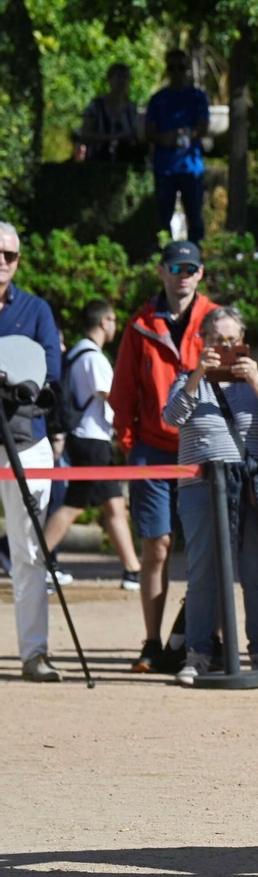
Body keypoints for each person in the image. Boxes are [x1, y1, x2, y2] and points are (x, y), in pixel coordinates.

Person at [162, 307, 258, 685]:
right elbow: (171, 419)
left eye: (232, 341)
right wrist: (198, 372)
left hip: (253, 488)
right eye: (216, 340)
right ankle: (198, 654)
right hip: (201, 488)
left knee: (256, 572)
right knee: (204, 571)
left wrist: (255, 380)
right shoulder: (187, 379)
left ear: (243, 341)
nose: (225, 347)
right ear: (202, 342)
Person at [110, 240, 217, 672]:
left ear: (201, 272)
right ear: (162, 271)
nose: (184, 274)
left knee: (206, 549)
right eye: (176, 267)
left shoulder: (214, 318)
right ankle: (153, 642)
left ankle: (200, 640)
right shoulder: (140, 323)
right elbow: (123, 388)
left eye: (191, 267)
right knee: (156, 546)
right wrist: (129, 440)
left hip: (201, 447)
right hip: (153, 449)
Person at [0, 221, 65, 681]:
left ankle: (34, 653)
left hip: (24, 439)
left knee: (28, 549)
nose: (4, 261)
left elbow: (50, 374)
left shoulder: (36, 309)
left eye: (11, 255)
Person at [42, 300, 141, 590]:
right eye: (113, 319)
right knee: (75, 504)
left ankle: (132, 569)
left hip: (88, 438)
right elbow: (113, 395)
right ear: (104, 321)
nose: (115, 325)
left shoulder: (75, 353)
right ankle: (39, 560)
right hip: (92, 439)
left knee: (114, 505)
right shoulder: (93, 357)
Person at [143, 50, 209, 241]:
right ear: (167, 69)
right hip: (165, 169)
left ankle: (196, 260)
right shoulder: (158, 99)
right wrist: (164, 138)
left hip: (191, 168)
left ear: (187, 69)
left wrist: (186, 134)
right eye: (172, 67)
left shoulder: (197, 97)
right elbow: (149, 131)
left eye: (180, 67)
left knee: (195, 219)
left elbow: (203, 127)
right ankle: (165, 259)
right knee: (163, 220)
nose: (176, 72)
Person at [77, 63, 143, 165]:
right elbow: (85, 135)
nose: (122, 81)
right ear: (109, 80)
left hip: (124, 163)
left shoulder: (131, 108)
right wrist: (112, 138)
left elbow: (137, 135)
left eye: (125, 77)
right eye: (119, 77)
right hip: (97, 162)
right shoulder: (96, 105)